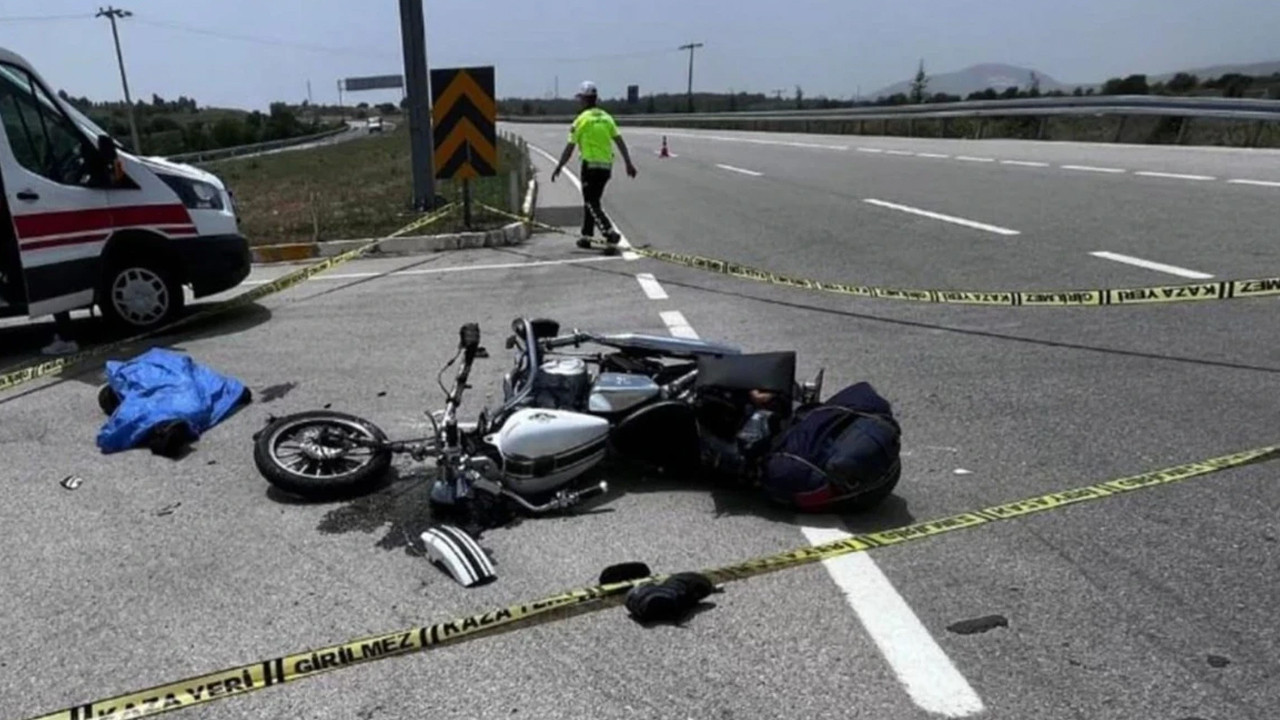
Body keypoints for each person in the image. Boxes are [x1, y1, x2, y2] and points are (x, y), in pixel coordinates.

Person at [550, 81, 637, 254]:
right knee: (592, 201)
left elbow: (570, 147)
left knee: (591, 202)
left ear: (584, 99)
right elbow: (619, 141)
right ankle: (587, 236)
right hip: (606, 167)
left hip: (590, 167)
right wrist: (628, 163)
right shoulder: (606, 117)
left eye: (580, 99)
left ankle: (609, 233)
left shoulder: (581, 120)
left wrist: (559, 166)